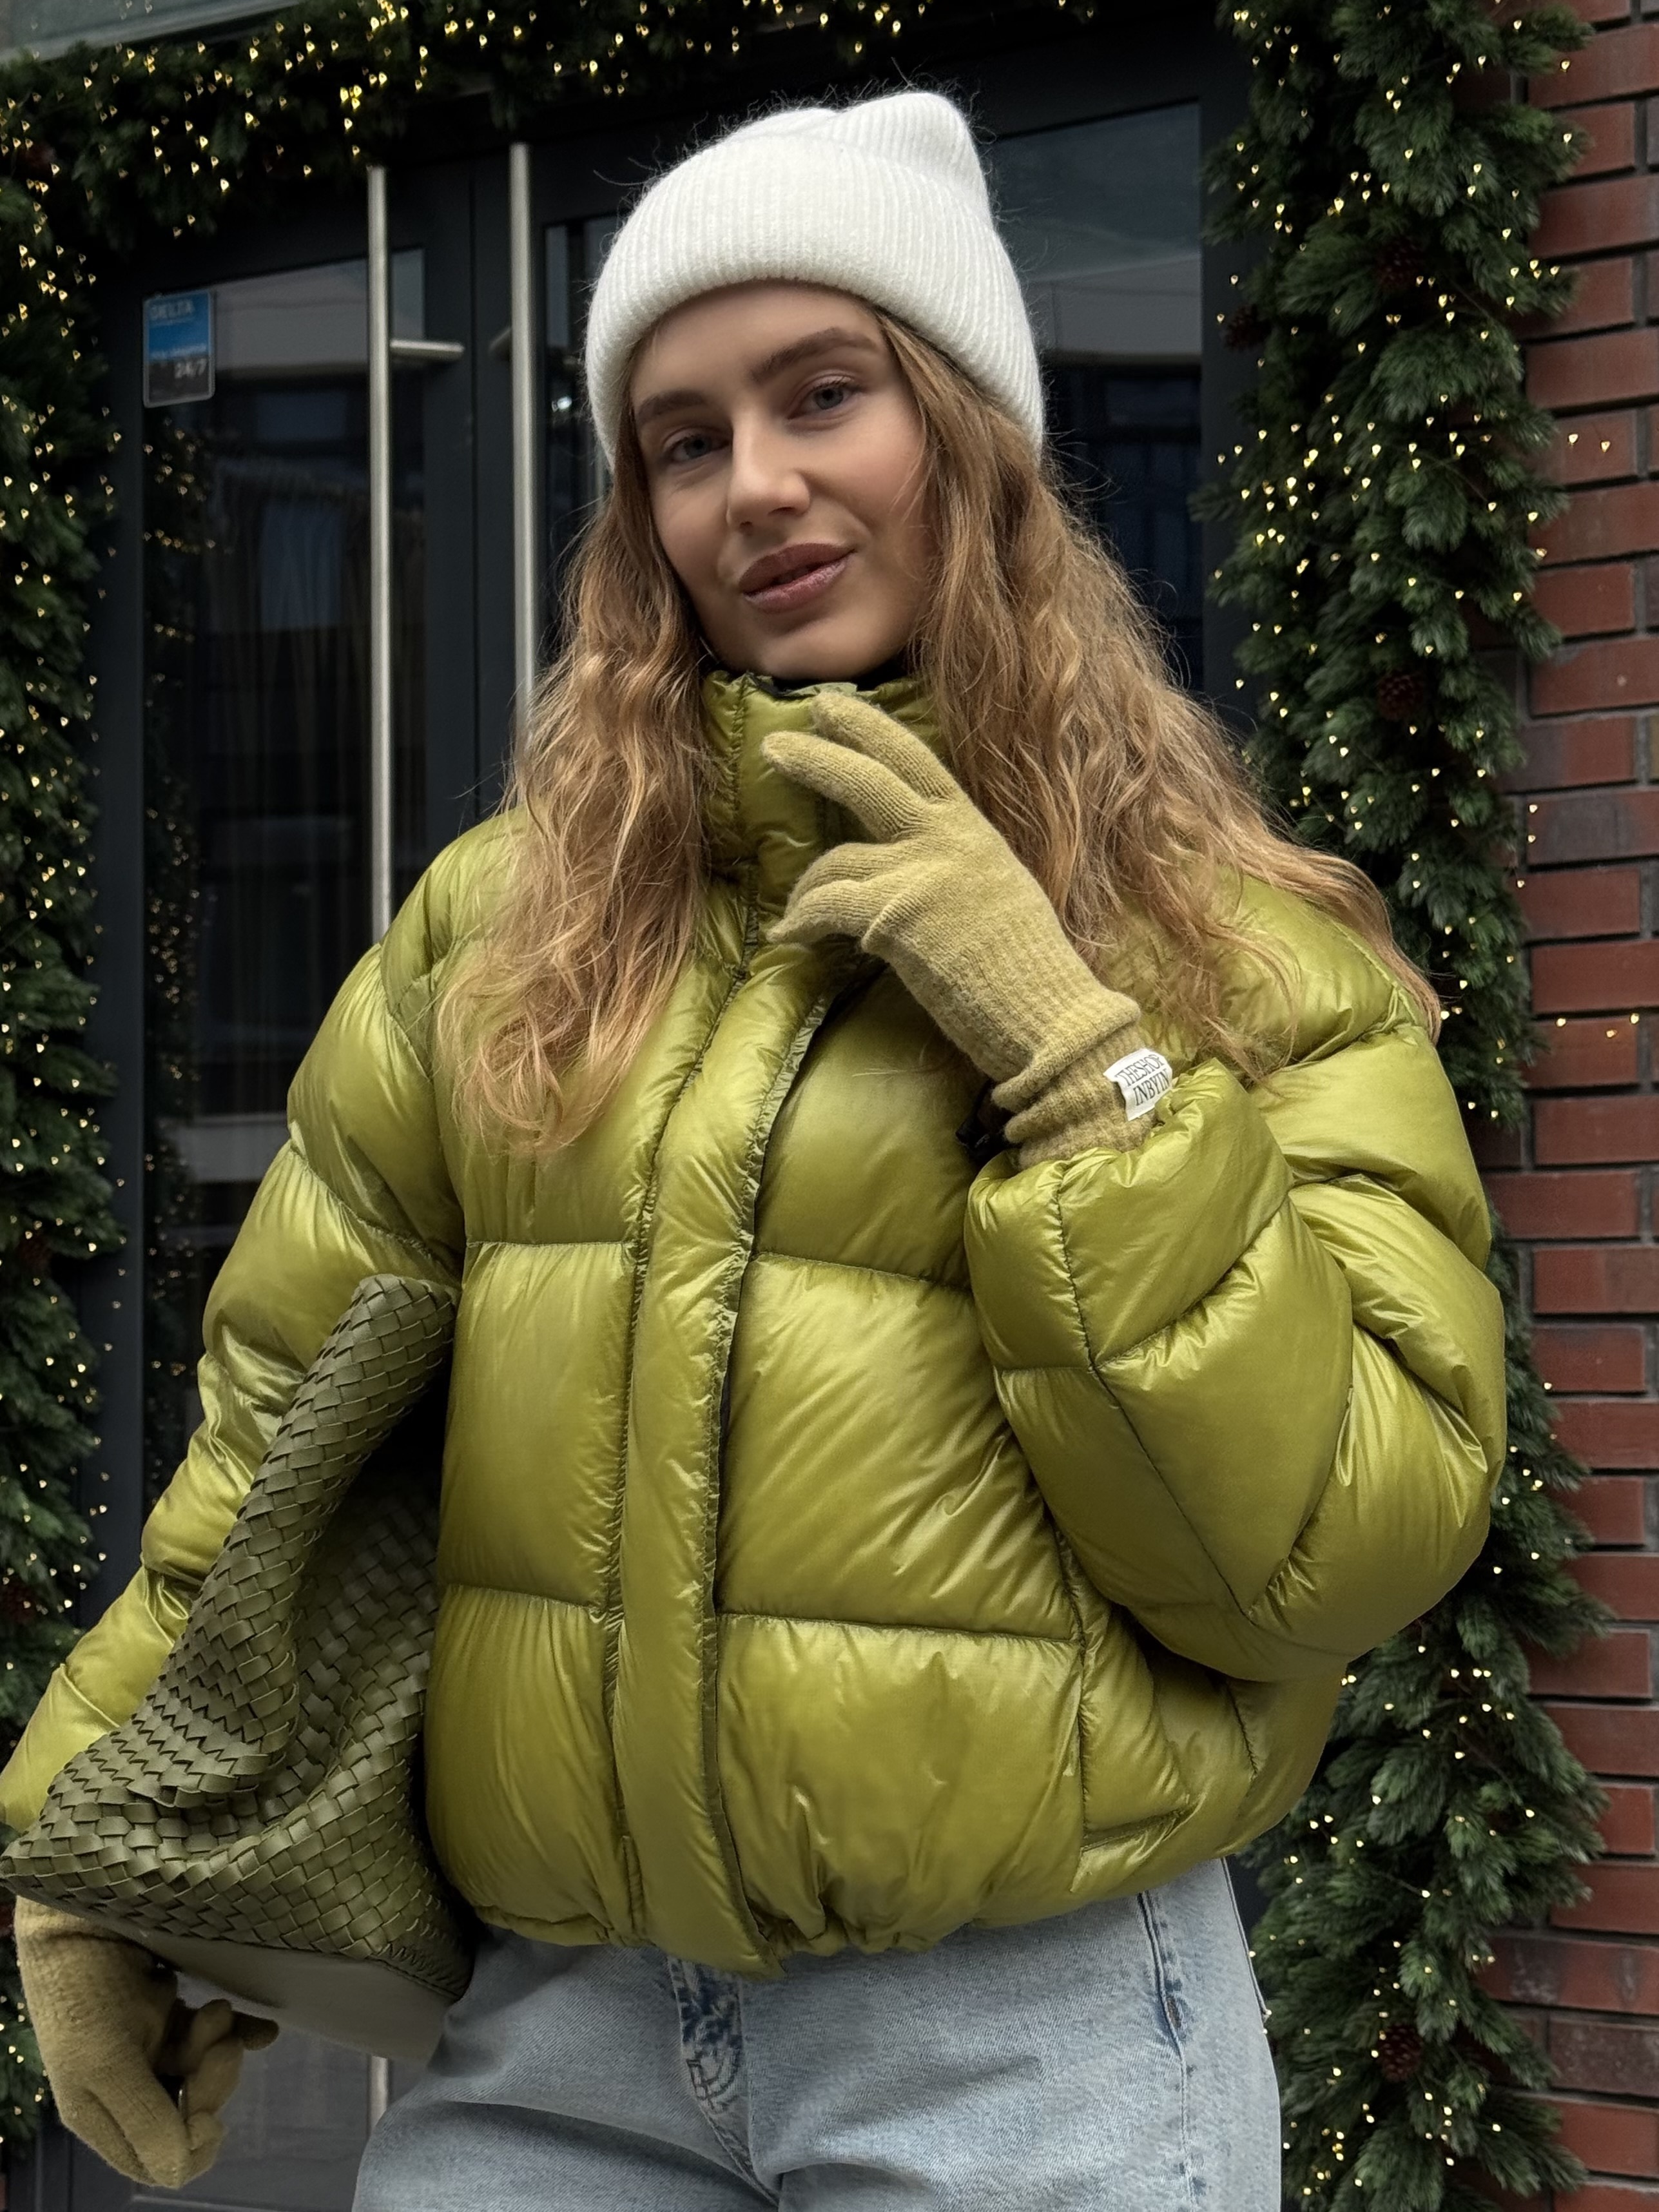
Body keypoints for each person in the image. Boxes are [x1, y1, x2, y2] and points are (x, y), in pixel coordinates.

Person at [3, 90, 1505, 2211]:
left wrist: (1079, 1066)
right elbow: (280, 1434)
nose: (758, 486)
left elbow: (1347, 1544)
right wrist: (93, 1855)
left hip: (1024, 2036)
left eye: (825, 395)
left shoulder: (1236, 953)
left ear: (969, 436)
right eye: (684, 440)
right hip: (553, 2039)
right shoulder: (504, 931)